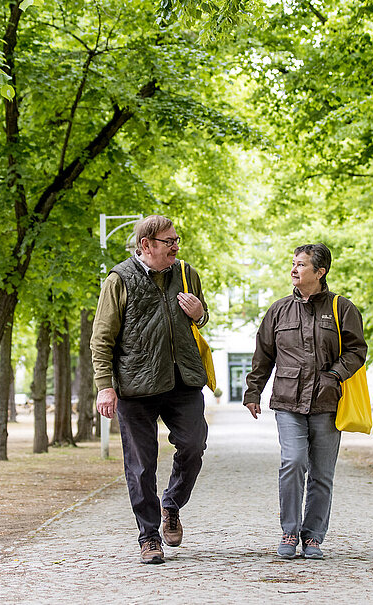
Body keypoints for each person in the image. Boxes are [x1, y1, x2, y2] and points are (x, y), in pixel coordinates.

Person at [90, 214, 211, 565]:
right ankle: (149, 535)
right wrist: (104, 387)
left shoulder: (187, 274)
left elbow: (199, 320)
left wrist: (201, 313)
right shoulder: (119, 279)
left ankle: (170, 505)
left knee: (193, 445)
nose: (175, 247)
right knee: (141, 465)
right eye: (168, 241)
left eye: (177, 241)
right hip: (136, 385)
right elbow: (101, 339)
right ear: (146, 245)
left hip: (183, 379)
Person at [244, 243, 367, 560]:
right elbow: (264, 355)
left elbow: (356, 351)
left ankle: (313, 537)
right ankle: (289, 530)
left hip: (327, 402)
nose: (294, 269)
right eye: (293, 263)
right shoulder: (279, 310)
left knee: (322, 474)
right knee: (294, 462)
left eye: (301, 264)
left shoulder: (342, 309)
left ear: (320, 271)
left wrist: (335, 375)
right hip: (287, 401)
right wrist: (253, 391)